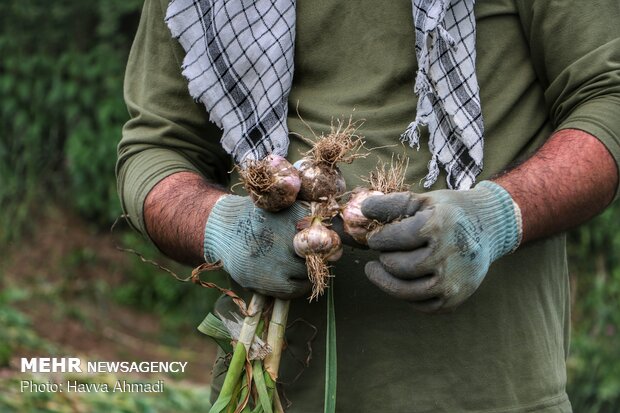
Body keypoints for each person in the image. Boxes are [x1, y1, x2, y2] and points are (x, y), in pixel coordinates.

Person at [117, 0, 620, 411]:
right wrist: (221, 226)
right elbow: (156, 148)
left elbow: (608, 99)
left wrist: (496, 217)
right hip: (268, 391)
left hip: (492, 394)